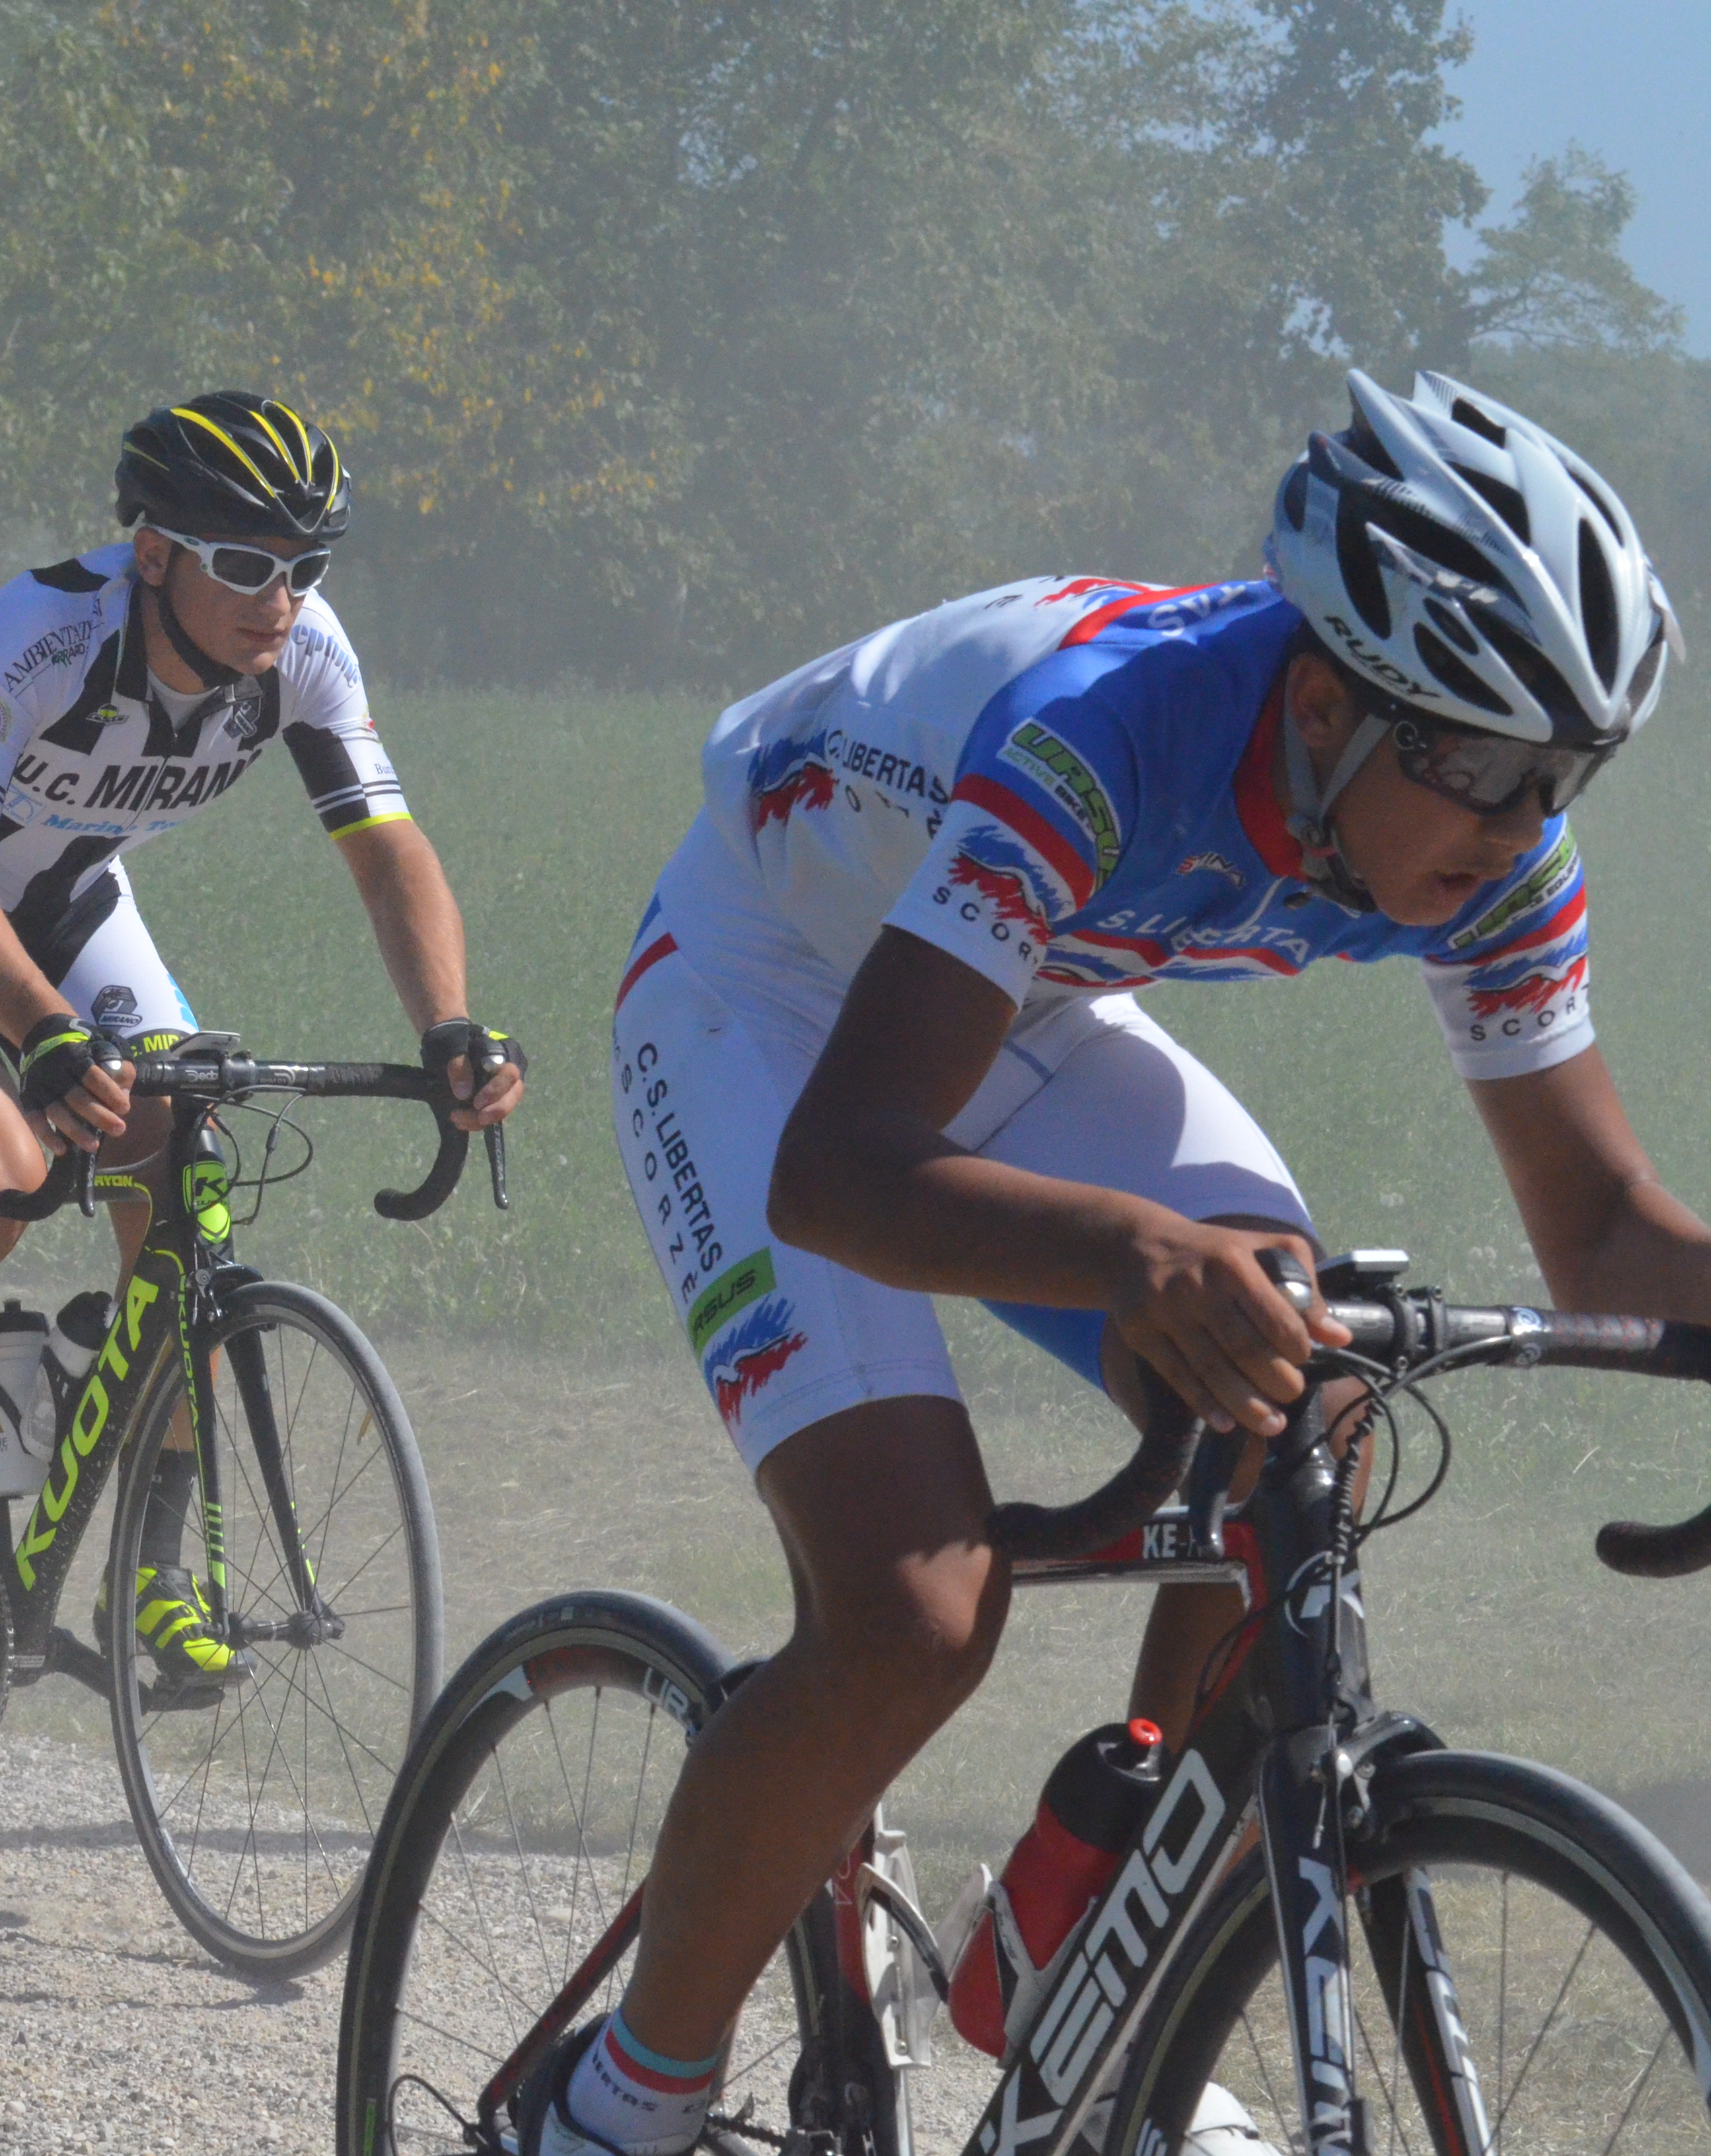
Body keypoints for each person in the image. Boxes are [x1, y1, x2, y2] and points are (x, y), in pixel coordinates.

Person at [538, 369, 1698, 2156]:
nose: (1519, 820)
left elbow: (1603, 1227)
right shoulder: (1106, 733)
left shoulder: (1496, 859)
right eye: (1480, 765)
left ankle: (1080, 1964)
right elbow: (839, 1173)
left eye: (1562, 775)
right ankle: (620, 2103)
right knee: (914, 1611)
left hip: (1016, 1001)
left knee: (1308, 1386)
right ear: (1329, 706)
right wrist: (1133, 1254)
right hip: (761, 998)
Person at [0, 392, 525, 1679]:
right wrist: (43, 1034)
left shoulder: (304, 654)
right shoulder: (42, 632)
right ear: (152, 553)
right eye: (243, 564)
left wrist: (450, 1027)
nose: (277, 600)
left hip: (70, 896)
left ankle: (155, 1560)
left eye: (304, 568)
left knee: (183, 1168)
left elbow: (386, 853)